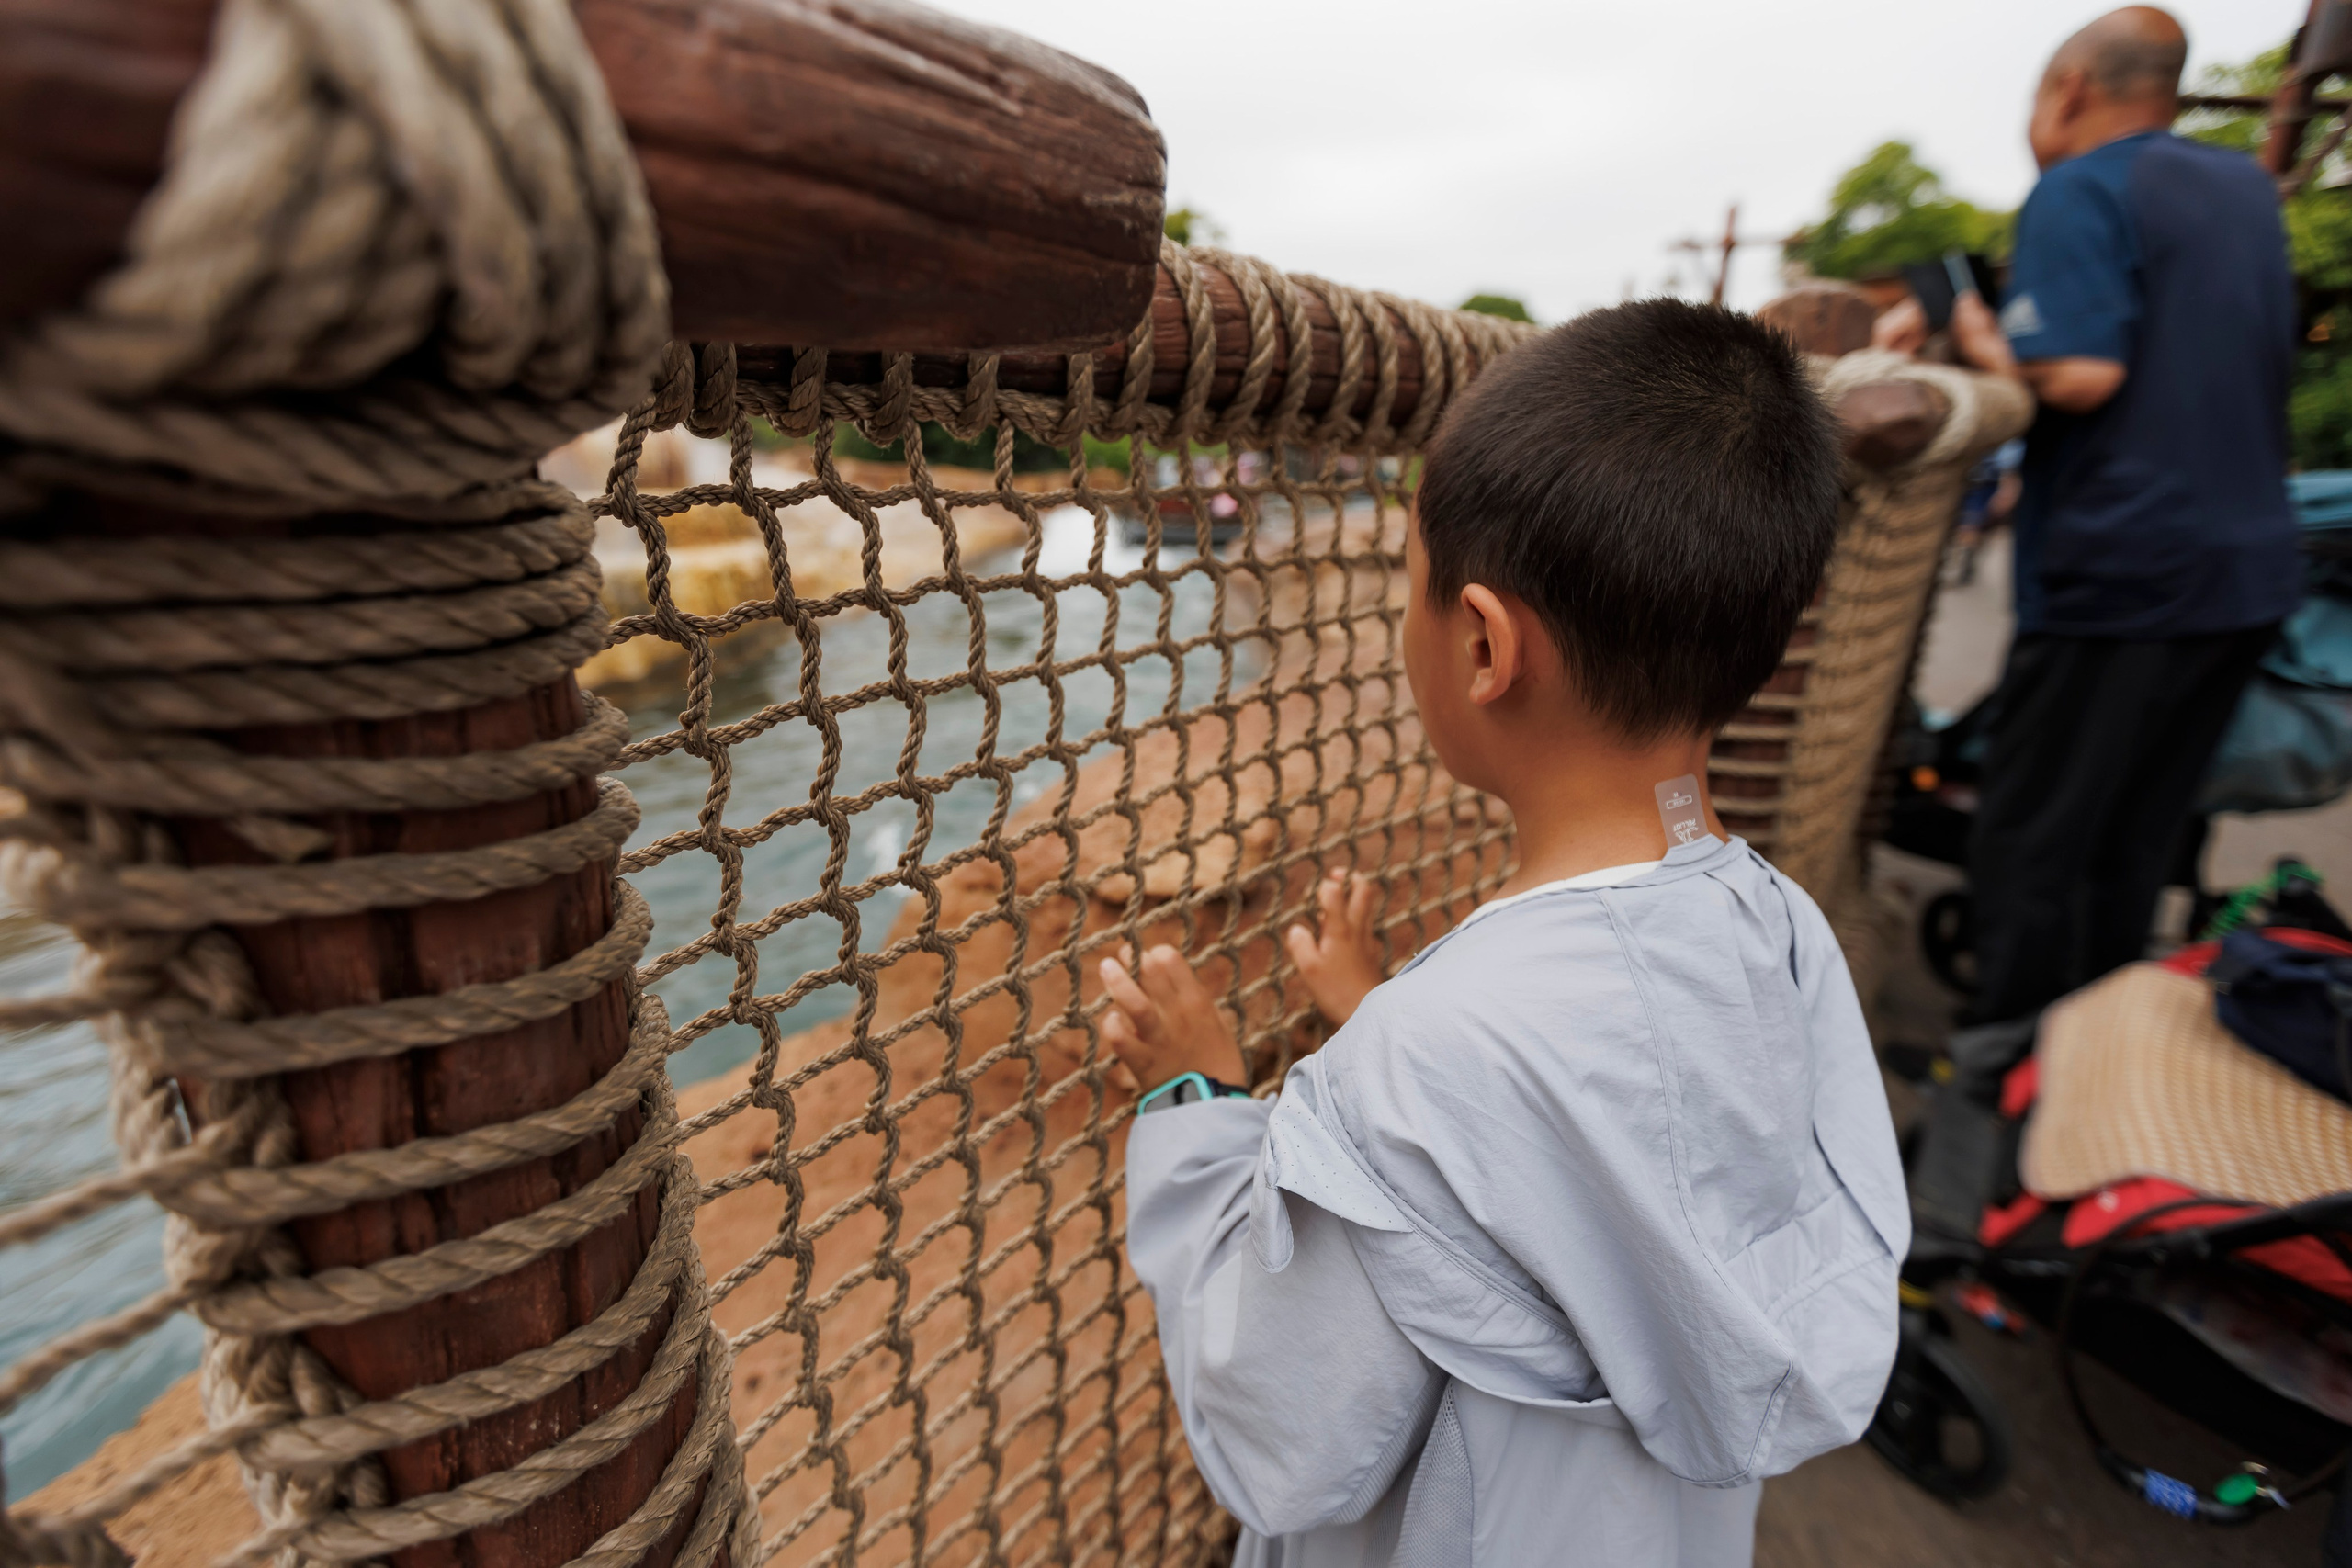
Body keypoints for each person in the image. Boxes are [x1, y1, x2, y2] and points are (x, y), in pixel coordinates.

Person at [1097, 301, 1908, 1568]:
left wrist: (1200, 1109)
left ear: (1482, 641)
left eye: (1408, 584)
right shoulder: (1780, 928)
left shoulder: (1425, 1062)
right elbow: (1636, 1153)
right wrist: (1381, 1018)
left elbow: (1285, 1437)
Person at [1879, 6, 2299, 1025]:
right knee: (2137, 840)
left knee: (2030, 843)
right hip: (2246, 569)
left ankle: (2006, 1083)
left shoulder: (2079, 186)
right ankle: (2098, 1065)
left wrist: (1979, 337)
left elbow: (2080, 371)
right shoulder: (2244, 186)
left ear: (2066, 89)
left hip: (2123, 573)